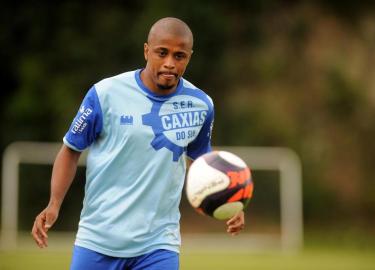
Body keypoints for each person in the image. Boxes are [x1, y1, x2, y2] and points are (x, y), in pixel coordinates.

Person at [31, 17, 245, 270]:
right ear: (146, 51)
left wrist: (231, 200)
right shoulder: (105, 94)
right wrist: (54, 203)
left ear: (189, 57)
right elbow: (71, 150)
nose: (169, 63)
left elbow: (202, 161)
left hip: (158, 244)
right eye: (162, 53)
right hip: (98, 239)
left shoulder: (201, 104)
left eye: (179, 56)